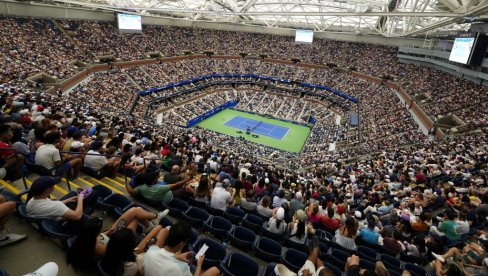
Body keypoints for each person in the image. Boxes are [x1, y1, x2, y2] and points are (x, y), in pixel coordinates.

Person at [143, 221, 220, 276]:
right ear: (181, 244)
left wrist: (178, 257)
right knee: (215, 270)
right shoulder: (182, 268)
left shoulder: (151, 251)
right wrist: (199, 265)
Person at [126, 171, 192, 206]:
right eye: (156, 179)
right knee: (186, 188)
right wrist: (188, 180)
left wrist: (127, 183)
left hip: (162, 197)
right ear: (153, 181)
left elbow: (130, 191)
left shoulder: (141, 187)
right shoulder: (160, 188)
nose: (157, 179)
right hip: (170, 198)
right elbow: (176, 184)